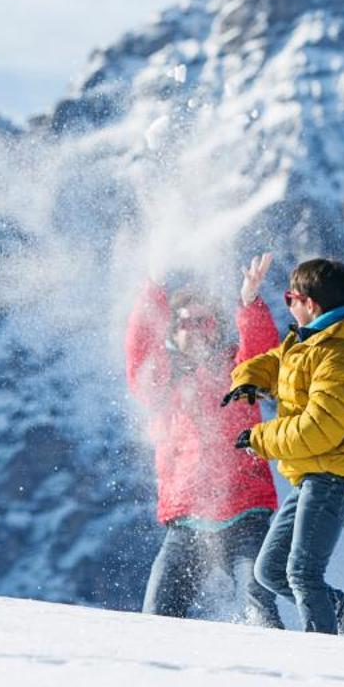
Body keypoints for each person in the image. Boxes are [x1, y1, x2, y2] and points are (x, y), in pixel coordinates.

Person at [224, 257, 344, 638]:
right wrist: (250, 378)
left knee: (302, 573)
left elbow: (320, 430)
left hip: (335, 475)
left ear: (311, 304)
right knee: (269, 571)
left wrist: (260, 439)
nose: (287, 304)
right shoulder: (317, 339)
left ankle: (322, 662)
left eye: (290, 297)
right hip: (313, 474)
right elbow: (281, 361)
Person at [126, 253, 284, 627]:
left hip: (246, 514)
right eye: (184, 322)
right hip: (186, 522)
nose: (195, 329)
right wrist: (154, 286)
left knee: (259, 611)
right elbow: (139, 354)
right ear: (171, 331)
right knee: (157, 621)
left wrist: (249, 303)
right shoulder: (161, 380)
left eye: (204, 321)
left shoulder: (237, 369)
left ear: (218, 326)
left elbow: (263, 356)